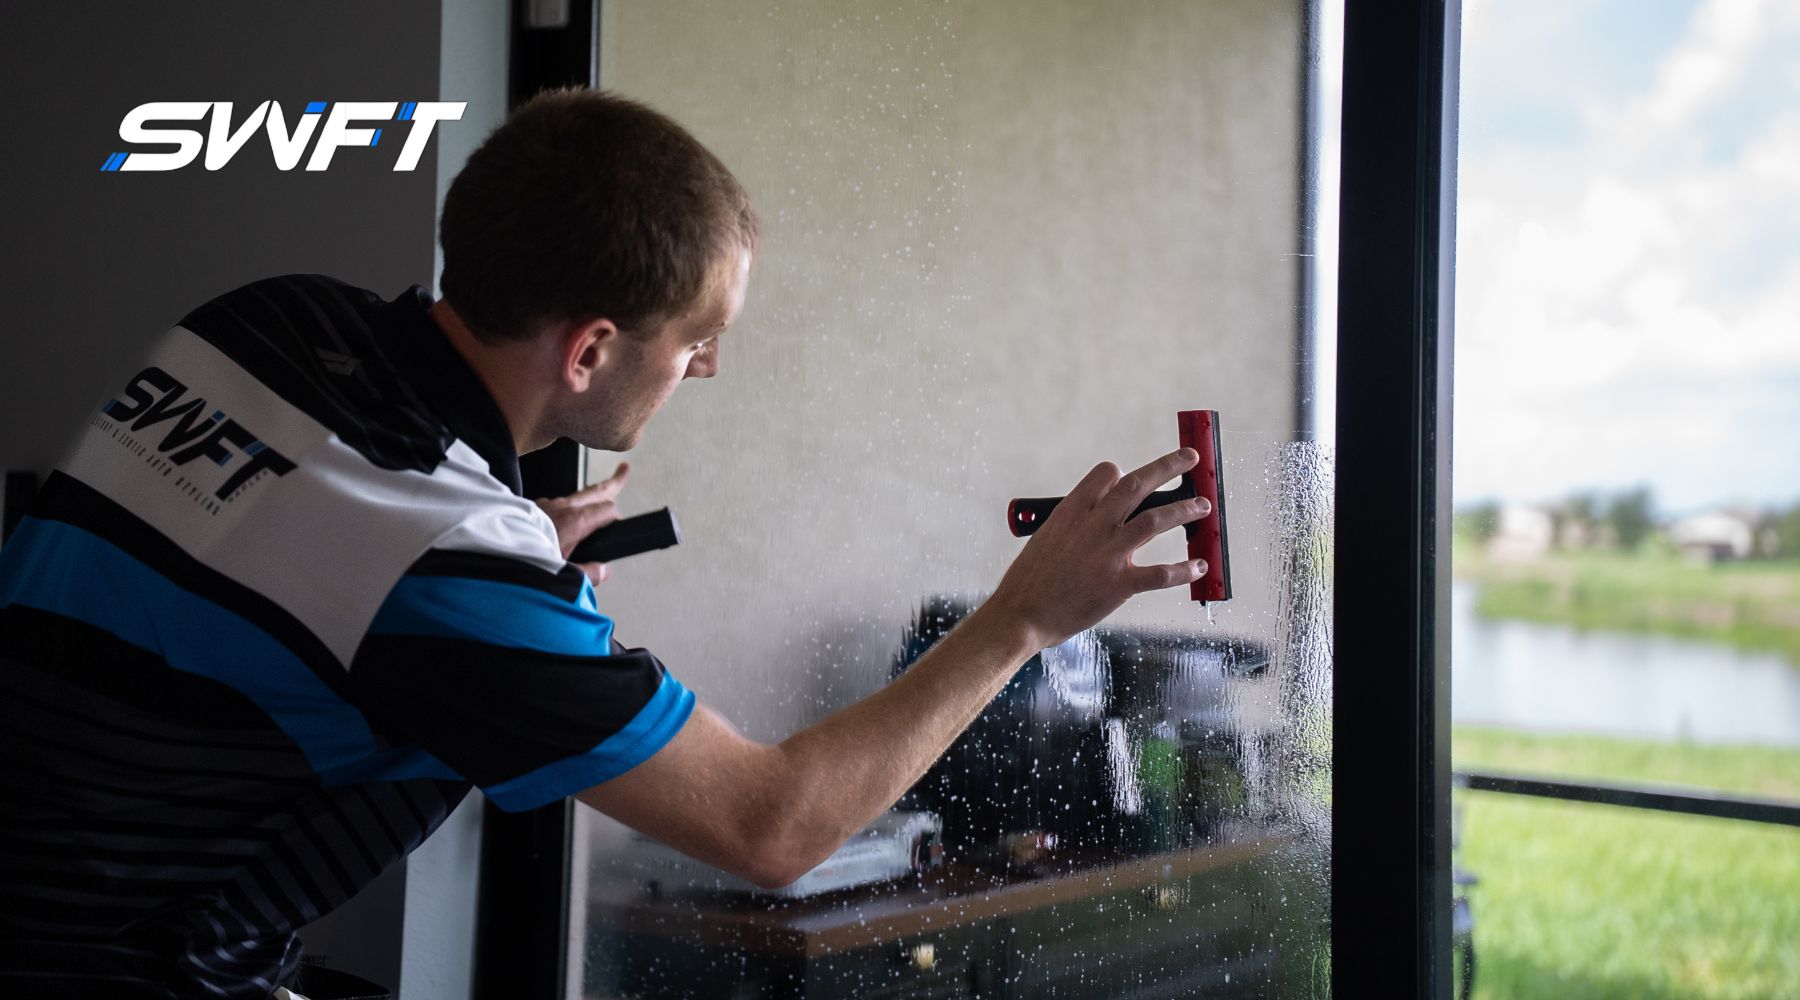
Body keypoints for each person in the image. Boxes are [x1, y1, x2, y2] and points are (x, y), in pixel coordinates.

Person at [0, 86, 1211, 999]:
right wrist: (1024, 620)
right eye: (697, 338)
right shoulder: (448, 566)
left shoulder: (265, 319)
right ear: (587, 350)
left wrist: (509, 549)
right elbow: (771, 825)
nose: (708, 365)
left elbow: (283, 533)